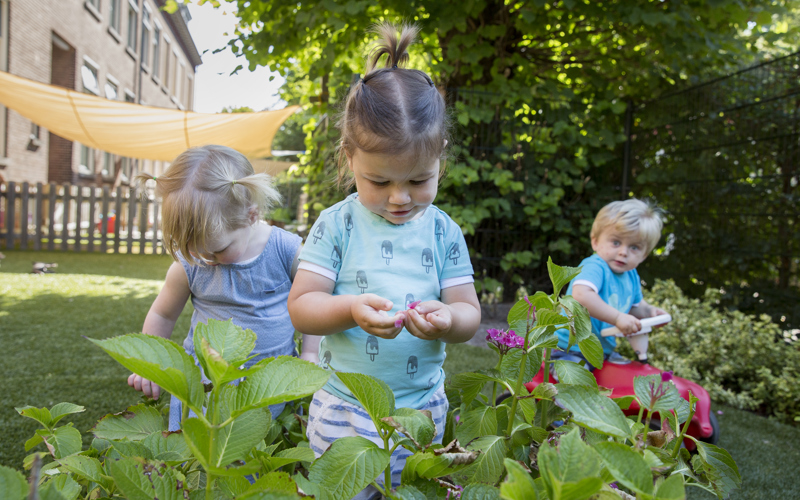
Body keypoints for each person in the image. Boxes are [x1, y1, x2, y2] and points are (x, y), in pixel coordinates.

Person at [287, 23, 481, 497]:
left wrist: (448, 318)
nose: (399, 198)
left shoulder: (443, 231)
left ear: (441, 158)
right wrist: (349, 309)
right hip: (345, 409)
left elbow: (469, 314)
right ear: (349, 157)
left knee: (415, 491)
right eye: (379, 182)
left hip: (422, 410)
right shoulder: (336, 224)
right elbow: (302, 306)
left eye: (418, 181)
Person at [128, 145, 320, 430]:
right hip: (206, 385)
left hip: (272, 380)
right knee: (204, 459)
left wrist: (310, 353)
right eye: (193, 250)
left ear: (251, 216)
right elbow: (163, 315)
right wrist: (148, 361)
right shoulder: (190, 263)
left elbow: (311, 301)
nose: (206, 260)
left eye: (218, 250)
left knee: (264, 454)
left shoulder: (285, 250)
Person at [554, 198, 667, 369]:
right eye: (616, 242)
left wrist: (650, 312)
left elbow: (634, 306)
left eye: (634, 247)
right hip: (569, 348)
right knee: (576, 386)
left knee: (624, 379)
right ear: (595, 241)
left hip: (601, 350)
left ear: (644, 255)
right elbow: (581, 296)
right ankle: (559, 395)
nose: (623, 252)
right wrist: (617, 318)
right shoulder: (595, 266)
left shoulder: (630, 275)